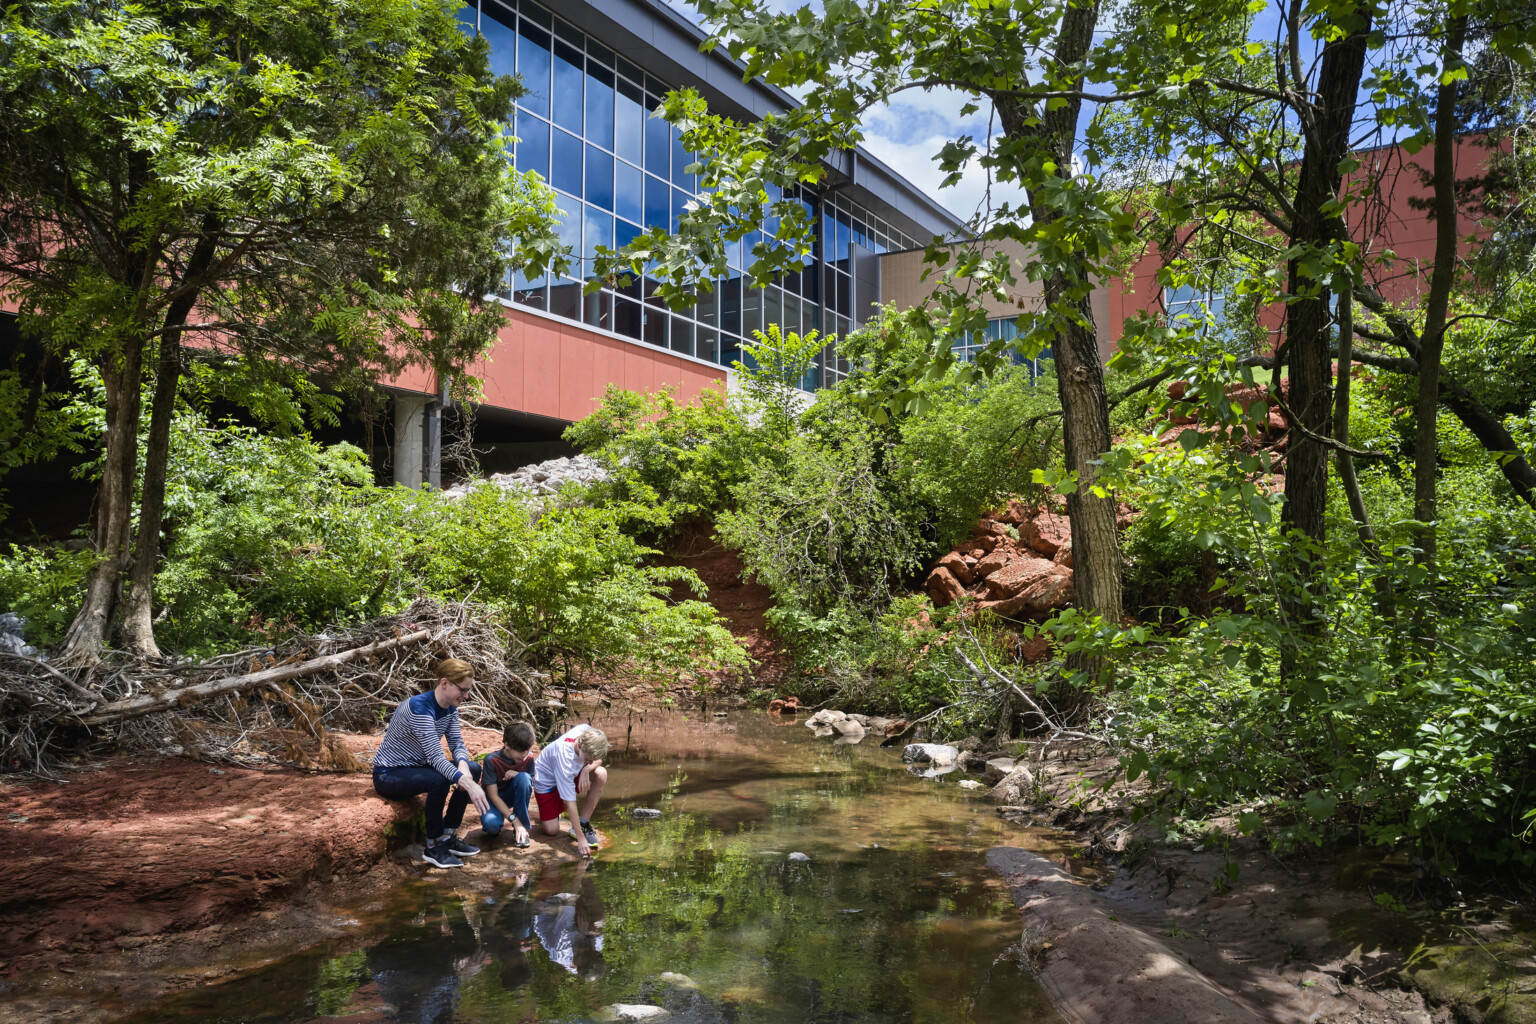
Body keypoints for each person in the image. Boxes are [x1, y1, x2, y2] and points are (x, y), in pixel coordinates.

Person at [372, 658, 491, 869]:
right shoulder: (420, 708)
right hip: (389, 774)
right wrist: (470, 785)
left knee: (472, 768)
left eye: (468, 690)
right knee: (439, 779)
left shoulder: (450, 708)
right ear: (445, 683)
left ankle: (447, 835)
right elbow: (436, 758)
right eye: (462, 690)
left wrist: (463, 767)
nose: (466, 695)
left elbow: (456, 743)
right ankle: (433, 845)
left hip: (415, 767)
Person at [531, 723, 609, 856]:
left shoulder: (586, 731)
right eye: (588, 760)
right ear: (579, 746)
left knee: (601, 773)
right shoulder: (565, 759)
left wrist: (586, 768)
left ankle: (583, 823)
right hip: (546, 782)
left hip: (571, 773)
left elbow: (598, 760)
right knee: (552, 831)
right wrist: (581, 839)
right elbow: (571, 803)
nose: (591, 762)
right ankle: (558, 814)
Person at [480, 720, 537, 847]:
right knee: (492, 828)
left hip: (511, 796)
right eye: (520, 750)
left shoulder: (529, 758)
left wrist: (518, 774)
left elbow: (530, 781)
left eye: (527, 750)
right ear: (507, 744)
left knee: (524, 778)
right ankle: (515, 823)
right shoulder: (492, 760)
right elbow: (493, 796)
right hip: (494, 800)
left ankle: (522, 829)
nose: (524, 754)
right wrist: (514, 820)